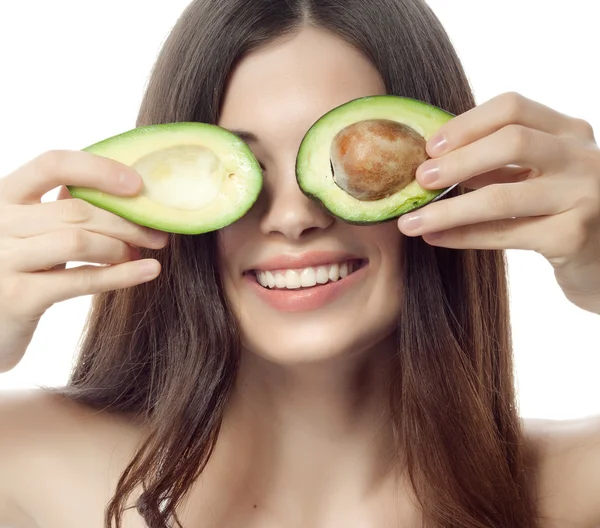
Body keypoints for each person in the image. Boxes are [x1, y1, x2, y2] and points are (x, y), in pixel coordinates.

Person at [0, 0, 599, 527]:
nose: (291, 217)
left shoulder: (572, 491)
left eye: (358, 162)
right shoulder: (28, 462)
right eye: (245, 172)